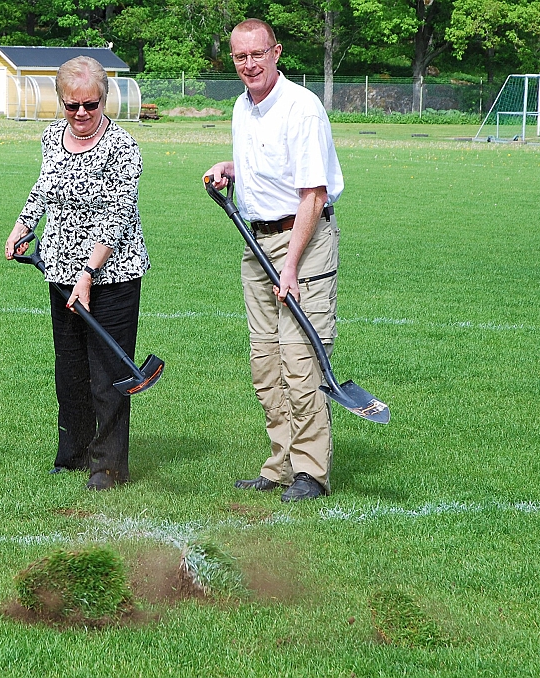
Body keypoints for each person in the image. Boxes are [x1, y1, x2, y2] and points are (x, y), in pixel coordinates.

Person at [205, 19, 344, 502]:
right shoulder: (244, 107)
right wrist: (230, 169)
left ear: (277, 52)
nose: (249, 65)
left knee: (300, 360)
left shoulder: (301, 108)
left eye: (257, 54)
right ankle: (281, 465)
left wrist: (290, 266)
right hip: (256, 242)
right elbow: (266, 166)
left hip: (301, 242)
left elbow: (313, 191)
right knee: (266, 362)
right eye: (240, 57)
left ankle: (311, 473)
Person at [5, 56, 150, 491]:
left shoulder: (123, 148)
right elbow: (45, 185)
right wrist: (23, 225)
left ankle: (108, 466)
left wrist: (88, 272)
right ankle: (74, 453)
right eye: (72, 106)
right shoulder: (53, 137)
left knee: (108, 374)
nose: (82, 113)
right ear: (60, 102)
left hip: (113, 274)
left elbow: (117, 214)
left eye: (91, 104)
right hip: (60, 270)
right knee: (69, 371)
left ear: (104, 99)